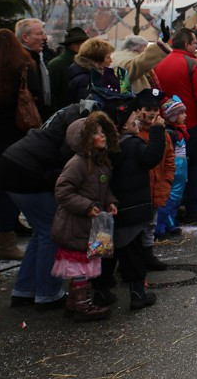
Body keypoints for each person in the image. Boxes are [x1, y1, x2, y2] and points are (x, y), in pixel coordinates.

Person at [93, 97, 165, 311]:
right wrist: (158, 131)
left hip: (108, 209)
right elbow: (151, 158)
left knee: (106, 253)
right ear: (125, 124)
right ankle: (137, 294)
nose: (138, 121)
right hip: (130, 210)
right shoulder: (132, 145)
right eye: (135, 118)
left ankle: (101, 292)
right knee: (132, 254)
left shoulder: (109, 147)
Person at [51, 111, 119, 322]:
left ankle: (74, 303)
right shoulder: (78, 163)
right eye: (96, 133)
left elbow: (103, 188)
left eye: (103, 132)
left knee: (84, 267)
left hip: (90, 226)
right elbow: (63, 190)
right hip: (75, 225)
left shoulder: (100, 163)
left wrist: (110, 202)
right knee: (79, 267)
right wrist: (87, 206)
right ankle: (82, 305)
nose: (103, 136)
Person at [153, 29, 197, 223]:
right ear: (187, 44)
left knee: (170, 166)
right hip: (191, 123)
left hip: (164, 122)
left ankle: (171, 207)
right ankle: (194, 207)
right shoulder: (193, 63)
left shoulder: (159, 63)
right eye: (195, 43)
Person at [0, 27, 44, 260]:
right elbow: (36, 96)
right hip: (15, 135)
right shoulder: (22, 67)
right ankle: (6, 240)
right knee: (8, 189)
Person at [134, 88, 170, 271]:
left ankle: (148, 254)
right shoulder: (134, 132)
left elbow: (169, 158)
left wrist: (167, 181)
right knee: (136, 226)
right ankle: (134, 258)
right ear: (138, 110)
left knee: (151, 223)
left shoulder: (162, 132)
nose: (152, 113)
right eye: (148, 109)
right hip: (140, 188)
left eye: (156, 110)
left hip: (156, 185)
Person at [155, 98, 188, 239]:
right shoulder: (171, 133)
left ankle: (171, 223)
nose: (185, 116)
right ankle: (160, 227)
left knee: (176, 198)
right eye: (181, 113)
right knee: (170, 198)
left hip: (181, 168)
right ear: (174, 116)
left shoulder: (177, 130)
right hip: (174, 167)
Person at [16, 18, 52, 119]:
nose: (44, 38)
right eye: (39, 34)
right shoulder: (21, 62)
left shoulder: (38, 59)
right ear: (25, 38)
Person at [47, 27, 89, 109]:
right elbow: (52, 96)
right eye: (84, 44)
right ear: (74, 46)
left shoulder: (85, 63)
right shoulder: (57, 65)